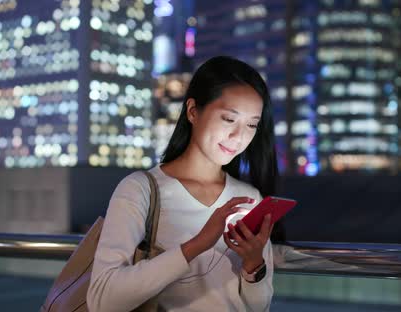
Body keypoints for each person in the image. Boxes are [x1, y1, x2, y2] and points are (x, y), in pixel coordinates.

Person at [87, 56, 279, 312]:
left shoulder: (249, 198)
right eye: (229, 119)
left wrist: (254, 265)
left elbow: (260, 306)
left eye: (252, 124)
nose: (239, 136)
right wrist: (197, 245)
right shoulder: (141, 190)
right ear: (192, 111)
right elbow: (102, 300)